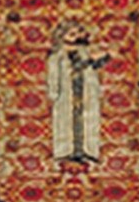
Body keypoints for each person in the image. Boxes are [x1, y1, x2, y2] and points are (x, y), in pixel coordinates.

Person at [46, 20, 110, 164]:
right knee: (65, 121)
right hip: (66, 93)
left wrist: (105, 58)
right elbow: (61, 74)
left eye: (78, 33)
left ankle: (88, 151)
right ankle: (65, 152)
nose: (76, 37)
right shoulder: (56, 57)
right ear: (62, 36)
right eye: (72, 34)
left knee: (88, 121)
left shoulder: (84, 52)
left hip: (86, 92)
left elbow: (93, 67)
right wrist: (53, 93)